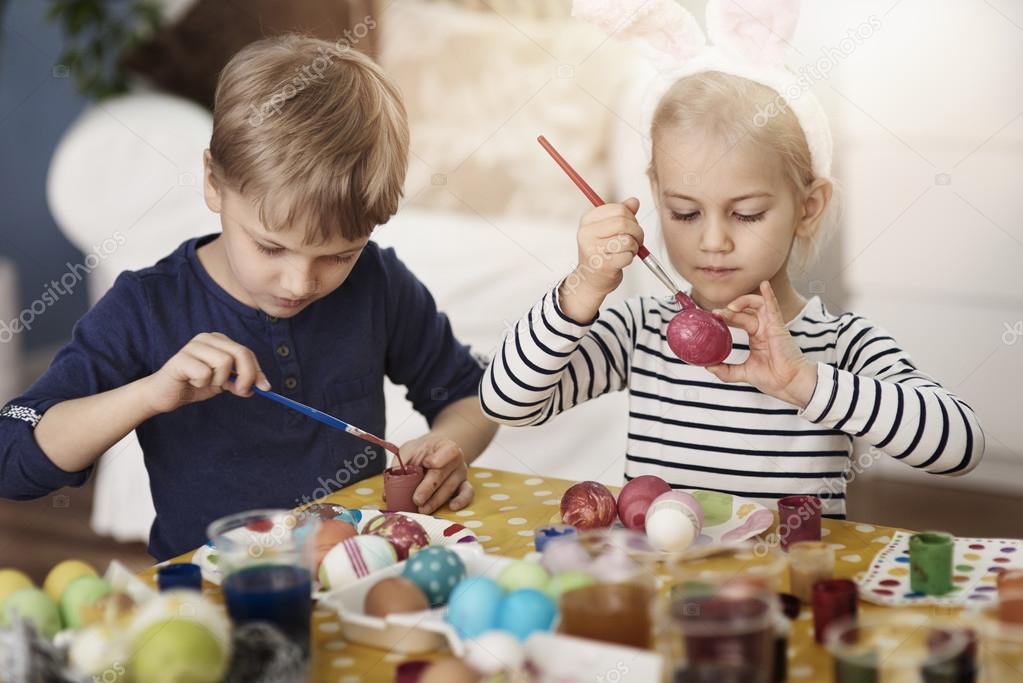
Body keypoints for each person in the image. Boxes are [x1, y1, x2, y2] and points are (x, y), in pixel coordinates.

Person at [0, 35, 497, 561]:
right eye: (270, 246)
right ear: (213, 182)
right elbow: (12, 457)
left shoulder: (378, 282)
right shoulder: (149, 306)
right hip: (212, 601)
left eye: (338, 255)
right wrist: (149, 393)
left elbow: (470, 396)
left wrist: (450, 446)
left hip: (353, 577)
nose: (299, 283)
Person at [480, 44, 983, 519]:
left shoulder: (840, 344)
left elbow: (960, 445)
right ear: (656, 195)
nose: (713, 240)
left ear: (806, 209)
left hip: (786, 596)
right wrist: (580, 291)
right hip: (666, 595)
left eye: (745, 214)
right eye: (684, 212)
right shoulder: (641, 331)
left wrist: (802, 382)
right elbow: (506, 403)